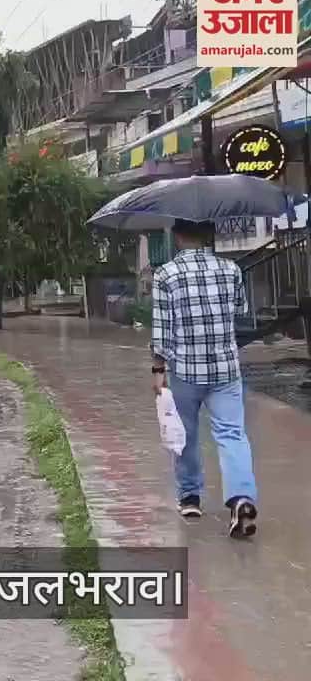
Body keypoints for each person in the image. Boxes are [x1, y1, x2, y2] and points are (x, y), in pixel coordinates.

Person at [151, 219, 258, 538]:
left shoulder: (166, 274)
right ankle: (241, 499)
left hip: (185, 369)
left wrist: (158, 370)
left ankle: (190, 498)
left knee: (185, 434)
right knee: (232, 434)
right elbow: (241, 309)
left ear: (178, 236)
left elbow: (161, 330)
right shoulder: (231, 270)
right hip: (226, 369)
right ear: (209, 235)